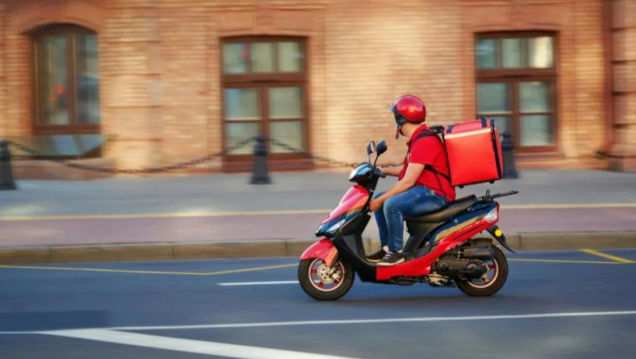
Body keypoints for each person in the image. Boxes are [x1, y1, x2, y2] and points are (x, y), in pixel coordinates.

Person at [367, 95, 456, 266]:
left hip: (436, 195)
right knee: (381, 197)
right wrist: (380, 170)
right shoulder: (418, 139)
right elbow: (406, 170)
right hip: (424, 190)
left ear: (401, 119)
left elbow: (408, 181)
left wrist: (379, 201)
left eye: (396, 117)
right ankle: (387, 249)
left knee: (391, 204)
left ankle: (396, 252)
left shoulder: (424, 141)